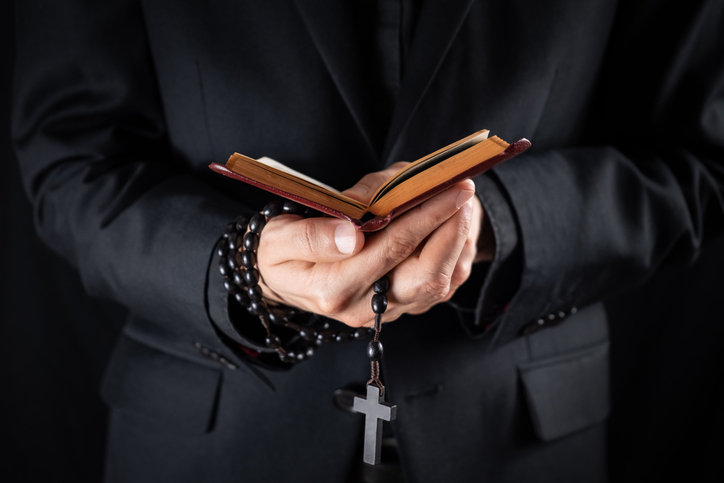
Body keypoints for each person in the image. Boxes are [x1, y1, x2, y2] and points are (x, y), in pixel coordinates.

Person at [12, 0, 724, 482]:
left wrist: (500, 224)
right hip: (211, 443)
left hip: (517, 442)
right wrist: (237, 266)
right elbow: (71, 153)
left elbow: (700, 159)